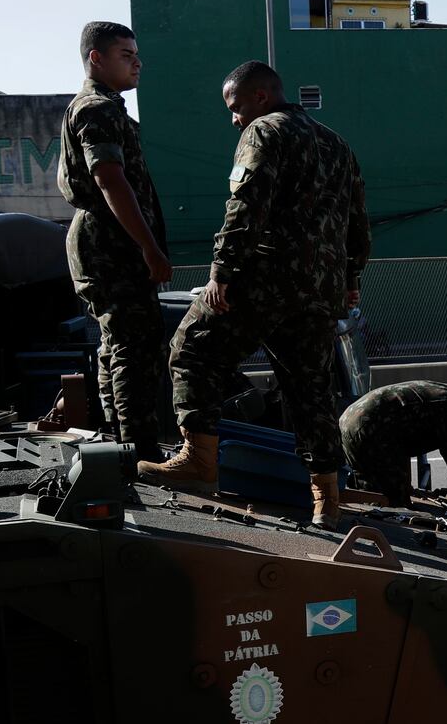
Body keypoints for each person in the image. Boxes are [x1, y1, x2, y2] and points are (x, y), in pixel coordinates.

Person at [137, 61, 371, 528]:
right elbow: (357, 218)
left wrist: (223, 269)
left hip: (264, 278)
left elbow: (246, 203)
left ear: (261, 97)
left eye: (236, 105)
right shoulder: (337, 144)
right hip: (320, 290)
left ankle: (200, 460)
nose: (234, 117)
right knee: (311, 391)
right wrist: (349, 278)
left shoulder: (265, 131)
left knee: (192, 350)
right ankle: (326, 498)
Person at [56, 21, 173, 461]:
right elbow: (109, 179)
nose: (138, 61)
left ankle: (120, 443)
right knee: (135, 344)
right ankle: (138, 451)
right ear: (97, 58)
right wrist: (149, 247)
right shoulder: (97, 108)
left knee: (118, 344)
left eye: (137, 53)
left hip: (106, 243)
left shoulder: (106, 107)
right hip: (111, 246)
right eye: (126, 54)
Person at [340, 382, 447, 507]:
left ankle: (365, 531)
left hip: (352, 420)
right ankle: (390, 542)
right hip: (371, 427)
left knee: (368, 490)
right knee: (393, 501)